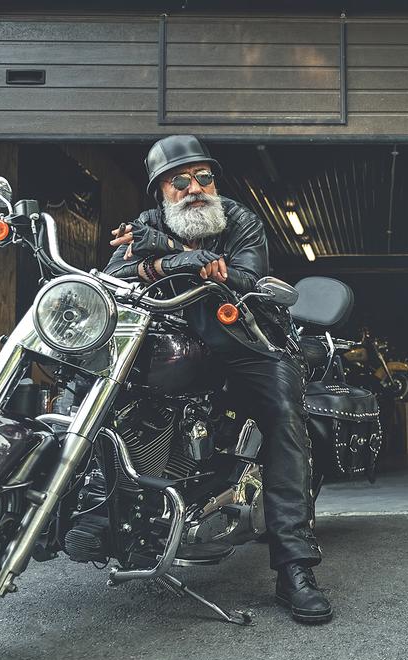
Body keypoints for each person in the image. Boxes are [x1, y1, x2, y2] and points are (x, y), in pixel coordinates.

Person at [104, 135, 331, 624]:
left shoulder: (240, 219)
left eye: (202, 176)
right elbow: (113, 273)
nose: (193, 188)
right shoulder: (144, 223)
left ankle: (295, 567)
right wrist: (172, 259)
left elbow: (246, 278)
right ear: (161, 191)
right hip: (170, 341)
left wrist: (162, 256)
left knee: (284, 418)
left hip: (247, 341)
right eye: (178, 181)